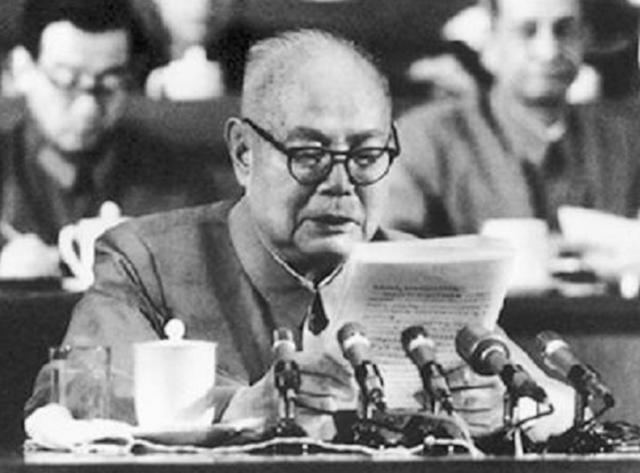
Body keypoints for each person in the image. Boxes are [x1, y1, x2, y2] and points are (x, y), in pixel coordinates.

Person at [26, 29, 573, 443]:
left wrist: (508, 407)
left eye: (366, 155)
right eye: (310, 155)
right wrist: (237, 410)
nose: (341, 184)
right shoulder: (146, 258)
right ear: (244, 153)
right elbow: (79, 391)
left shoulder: (422, 269)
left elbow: (551, 399)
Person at [384, 0, 640, 237]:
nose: (548, 51)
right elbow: (391, 251)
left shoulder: (627, 141)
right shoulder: (424, 140)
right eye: (526, 31)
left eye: (564, 30)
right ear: (491, 42)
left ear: (584, 37)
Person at [1, 0, 220, 277]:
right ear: (22, 69)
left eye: (110, 84)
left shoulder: (177, 178)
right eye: (67, 81)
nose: (88, 108)